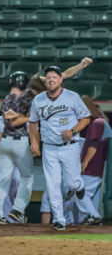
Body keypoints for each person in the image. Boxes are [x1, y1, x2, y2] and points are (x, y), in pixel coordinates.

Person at [29, 65, 91, 230]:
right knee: (52, 184)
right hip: (49, 147)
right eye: (48, 77)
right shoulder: (38, 100)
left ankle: (79, 186)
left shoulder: (72, 97)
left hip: (69, 146)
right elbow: (33, 122)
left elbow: (86, 118)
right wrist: (34, 141)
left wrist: (73, 131)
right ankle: (59, 220)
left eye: (54, 77)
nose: (51, 80)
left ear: (60, 80)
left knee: (71, 182)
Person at [0, 72, 34, 225]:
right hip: (18, 142)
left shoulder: (13, 98)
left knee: (3, 180)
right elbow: (13, 121)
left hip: (6, 143)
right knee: (27, 177)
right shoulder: (13, 98)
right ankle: (17, 210)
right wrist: (32, 117)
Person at [75, 95, 109, 225]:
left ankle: (92, 216)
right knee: (92, 199)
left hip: (93, 167)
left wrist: (85, 163)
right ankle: (96, 222)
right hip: (101, 169)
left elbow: (94, 144)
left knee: (80, 192)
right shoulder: (100, 122)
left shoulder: (96, 123)